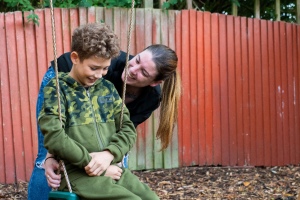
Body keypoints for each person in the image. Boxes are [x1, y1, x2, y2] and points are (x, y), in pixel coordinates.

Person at [28, 39, 180, 199]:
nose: (133, 69)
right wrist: (51, 155)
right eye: (137, 60)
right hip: (64, 73)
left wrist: (110, 156)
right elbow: (55, 135)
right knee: (45, 160)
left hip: (92, 153)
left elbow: (125, 130)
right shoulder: (105, 69)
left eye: (144, 72)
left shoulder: (149, 97)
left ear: (155, 82)